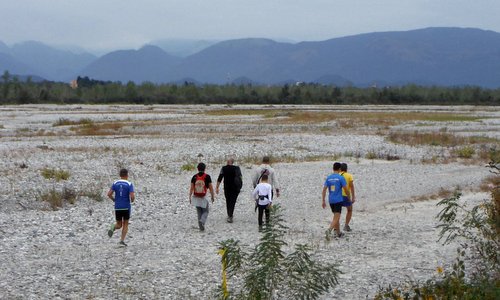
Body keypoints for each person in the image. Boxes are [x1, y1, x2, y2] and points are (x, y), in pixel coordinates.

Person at [107, 168, 135, 246]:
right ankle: (121, 241)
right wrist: (132, 200)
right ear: (127, 175)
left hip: (117, 207)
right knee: (125, 224)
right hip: (126, 207)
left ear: (120, 175)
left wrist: (114, 200)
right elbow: (132, 196)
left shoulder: (115, 183)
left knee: (119, 224)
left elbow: (109, 194)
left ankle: (113, 227)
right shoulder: (129, 184)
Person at [322, 162, 349, 239]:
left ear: (333, 168)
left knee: (335, 216)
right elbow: (346, 189)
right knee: (336, 217)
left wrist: (323, 200)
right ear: (340, 169)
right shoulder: (340, 178)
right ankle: (329, 230)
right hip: (338, 200)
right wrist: (349, 197)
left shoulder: (329, 178)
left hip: (331, 200)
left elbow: (324, 190)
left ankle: (338, 233)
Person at [189, 162, 215, 232]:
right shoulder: (207, 177)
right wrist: (212, 196)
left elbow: (191, 188)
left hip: (196, 196)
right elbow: (211, 188)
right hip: (203, 197)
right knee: (206, 211)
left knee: (199, 212)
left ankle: (201, 227)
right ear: (204, 169)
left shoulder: (194, 177)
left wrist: (189, 197)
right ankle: (202, 221)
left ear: (197, 169)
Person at [216, 158, 243, 223]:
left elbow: (220, 178)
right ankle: (230, 215)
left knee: (228, 201)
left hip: (227, 187)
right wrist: (240, 186)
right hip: (235, 187)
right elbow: (240, 177)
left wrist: (217, 187)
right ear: (232, 162)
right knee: (233, 201)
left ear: (228, 162)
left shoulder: (223, 168)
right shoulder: (237, 168)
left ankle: (229, 214)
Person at [340, 162, 356, 231]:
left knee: (337, 212)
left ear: (340, 169)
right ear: (346, 169)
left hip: (338, 196)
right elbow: (352, 186)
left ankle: (335, 227)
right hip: (346, 195)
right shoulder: (349, 175)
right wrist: (353, 196)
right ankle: (346, 225)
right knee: (349, 210)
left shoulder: (338, 175)